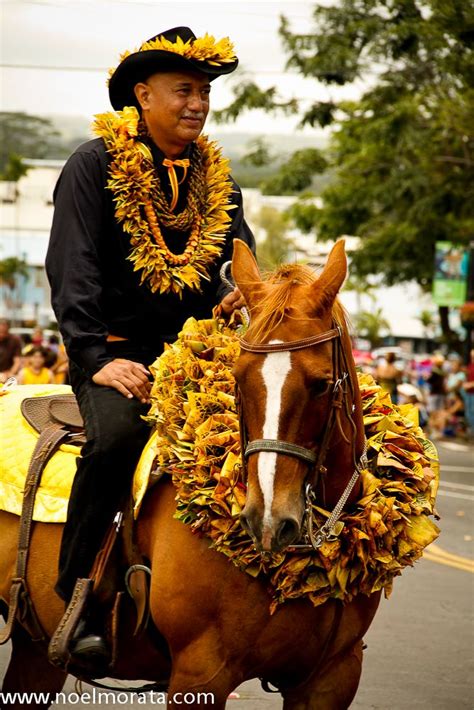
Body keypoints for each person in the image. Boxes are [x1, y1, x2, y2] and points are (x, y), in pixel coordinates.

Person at [46, 26, 255, 666]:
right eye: (183, 89)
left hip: (194, 355)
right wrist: (98, 360)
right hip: (113, 355)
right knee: (113, 440)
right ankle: (75, 596)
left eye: (205, 93)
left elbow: (235, 263)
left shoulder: (221, 184)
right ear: (143, 94)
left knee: (269, 435)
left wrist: (238, 295)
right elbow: (71, 267)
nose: (198, 103)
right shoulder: (93, 165)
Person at [0, 318, 22, 384]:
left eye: (4, 332)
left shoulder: (15, 340)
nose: (1, 334)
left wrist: (10, 373)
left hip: (8, 373)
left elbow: (17, 361)